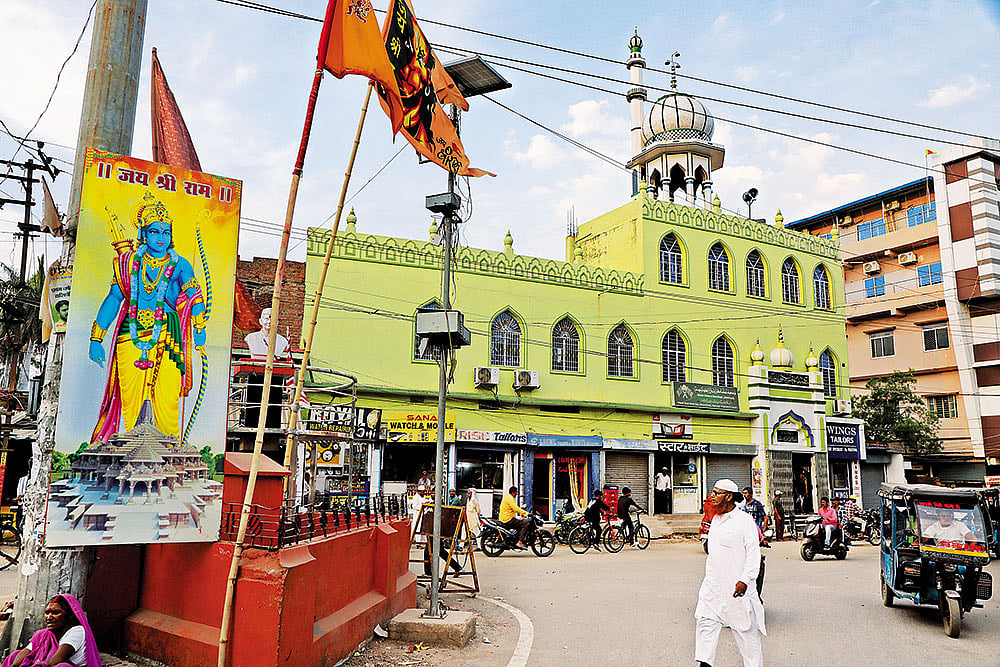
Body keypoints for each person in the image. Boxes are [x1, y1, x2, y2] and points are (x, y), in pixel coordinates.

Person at [88, 192, 207, 443]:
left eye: (166, 232)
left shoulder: (180, 264)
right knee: (131, 399)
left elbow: (194, 296)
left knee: (167, 395)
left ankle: (167, 449)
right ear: (143, 233)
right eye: (154, 232)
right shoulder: (127, 262)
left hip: (168, 334)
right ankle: (134, 449)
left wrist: (199, 324)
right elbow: (114, 299)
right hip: (129, 334)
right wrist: (96, 338)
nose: (161, 238)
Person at [695, 479, 766, 667]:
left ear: (728, 496)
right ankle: (704, 664)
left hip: (736, 589)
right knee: (705, 625)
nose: (712, 496)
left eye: (716, 493)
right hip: (713, 588)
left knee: (746, 634)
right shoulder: (716, 519)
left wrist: (745, 580)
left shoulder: (744, 521)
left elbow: (753, 554)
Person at [3, 594, 100, 667]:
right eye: (47, 613)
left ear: (69, 616)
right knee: (15, 655)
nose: (49, 617)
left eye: (55, 612)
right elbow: (27, 650)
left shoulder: (77, 631)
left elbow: (55, 660)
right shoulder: (43, 634)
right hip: (45, 664)